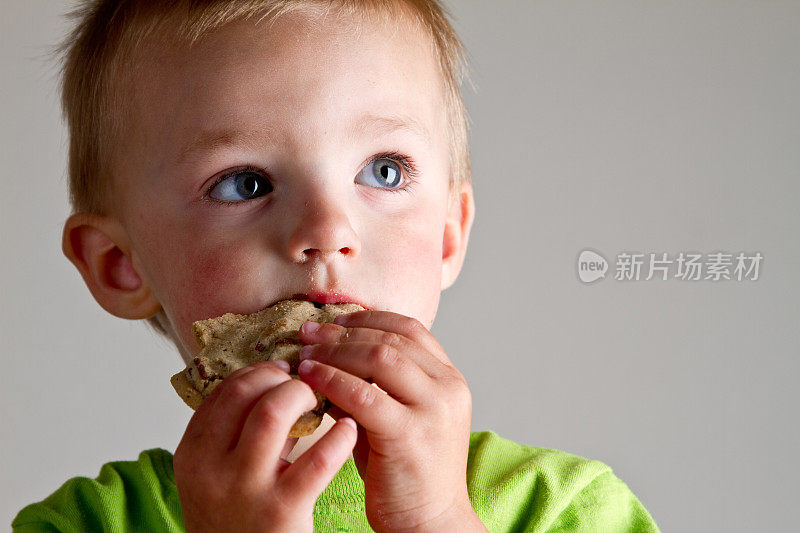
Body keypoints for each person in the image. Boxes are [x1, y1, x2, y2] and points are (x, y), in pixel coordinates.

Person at [13, 0, 660, 531]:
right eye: (244, 182)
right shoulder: (87, 523)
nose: (327, 231)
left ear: (447, 235)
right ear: (121, 264)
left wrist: (438, 520)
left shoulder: (563, 507)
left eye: (384, 171)